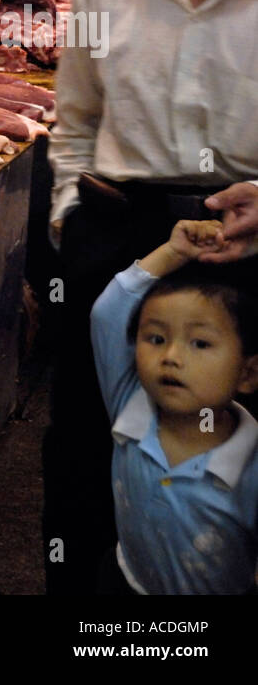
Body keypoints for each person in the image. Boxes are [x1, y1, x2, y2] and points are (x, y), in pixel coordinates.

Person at [44, 0, 258, 595]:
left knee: (237, 455)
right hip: (121, 238)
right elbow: (73, 124)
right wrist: (71, 219)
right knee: (88, 443)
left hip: (245, 248)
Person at [90, 219, 258, 594]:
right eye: (156, 337)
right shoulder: (128, 403)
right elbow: (108, 314)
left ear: (248, 373)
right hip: (125, 579)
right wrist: (173, 253)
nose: (171, 356)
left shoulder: (250, 469)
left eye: (200, 343)